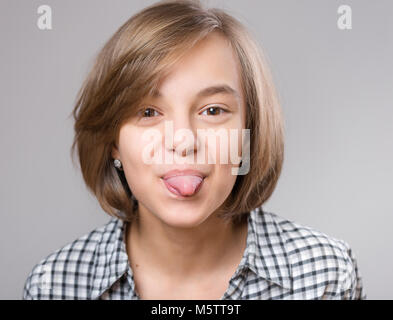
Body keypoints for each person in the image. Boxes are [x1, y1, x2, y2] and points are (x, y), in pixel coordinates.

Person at [22, 0, 366, 300]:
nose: (184, 141)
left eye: (213, 111)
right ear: (114, 143)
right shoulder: (53, 287)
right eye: (148, 113)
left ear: (248, 135)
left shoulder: (327, 278)